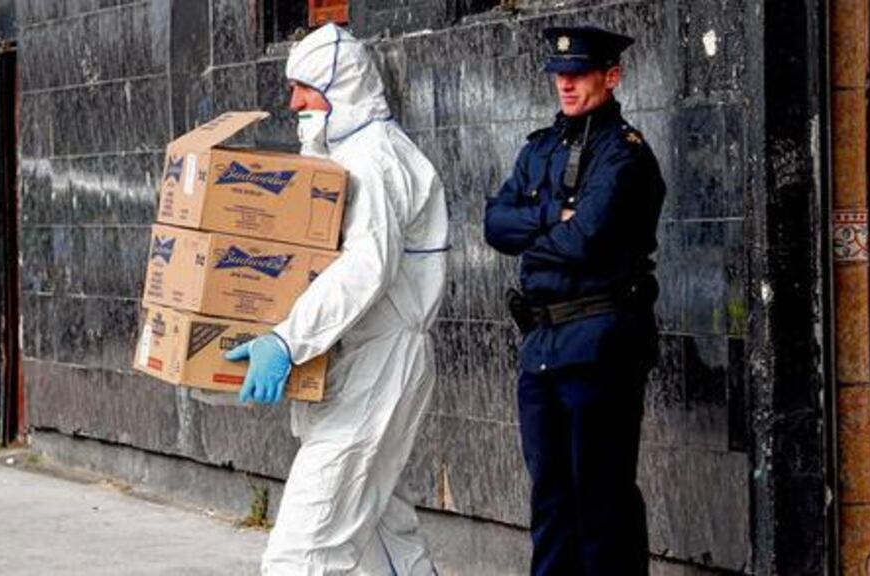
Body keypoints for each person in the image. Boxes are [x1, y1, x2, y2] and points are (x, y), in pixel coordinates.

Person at [224, 23, 448, 575]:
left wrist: (286, 338)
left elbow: (364, 269)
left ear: (340, 86)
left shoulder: (375, 159)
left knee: (305, 550)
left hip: (379, 364)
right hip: (360, 364)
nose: (294, 101)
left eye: (304, 87)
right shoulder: (349, 156)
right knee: (381, 536)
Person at [483, 25, 666, 576]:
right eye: (559, 74)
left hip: (600, 341)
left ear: (611, 77)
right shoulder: (540, 148)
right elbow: (494, 223)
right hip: (542, 343)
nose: (566, 84)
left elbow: (586, 236)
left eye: (579, 73)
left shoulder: (624, 154)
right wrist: (548, 219)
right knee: (551, 497)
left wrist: (534, 238)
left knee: (600, 500)